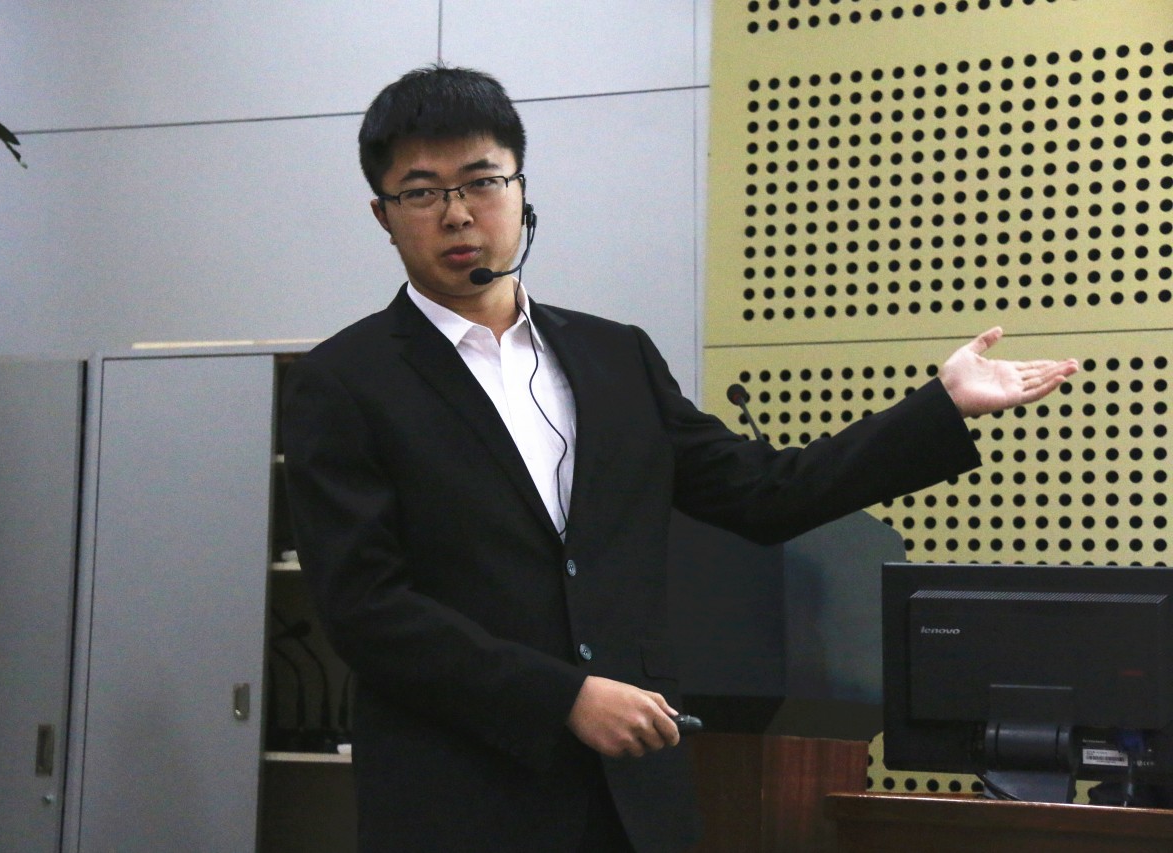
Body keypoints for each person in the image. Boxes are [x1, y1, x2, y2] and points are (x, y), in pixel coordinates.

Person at [281, 65, 1078, 853]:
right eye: (422, 192)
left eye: (482, 181)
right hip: (458, 800)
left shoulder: (614, 356)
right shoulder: (344, 382)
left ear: (521, 189)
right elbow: (368, 610)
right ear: (384, 215)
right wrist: (564, 697)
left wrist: (939, 405)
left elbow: (767, 493)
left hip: (633, 801)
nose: (458, 214)